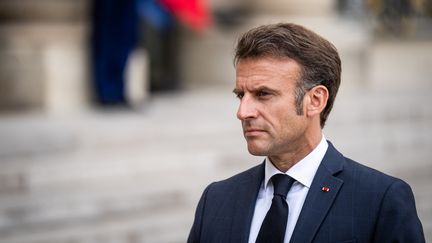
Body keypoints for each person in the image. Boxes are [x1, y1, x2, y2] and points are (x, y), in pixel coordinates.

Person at [187, 23, 425, 243]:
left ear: (315, 100)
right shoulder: (216, 200)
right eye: (241, 95)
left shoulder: (380, 200)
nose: (243, 112)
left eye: (263, 94)